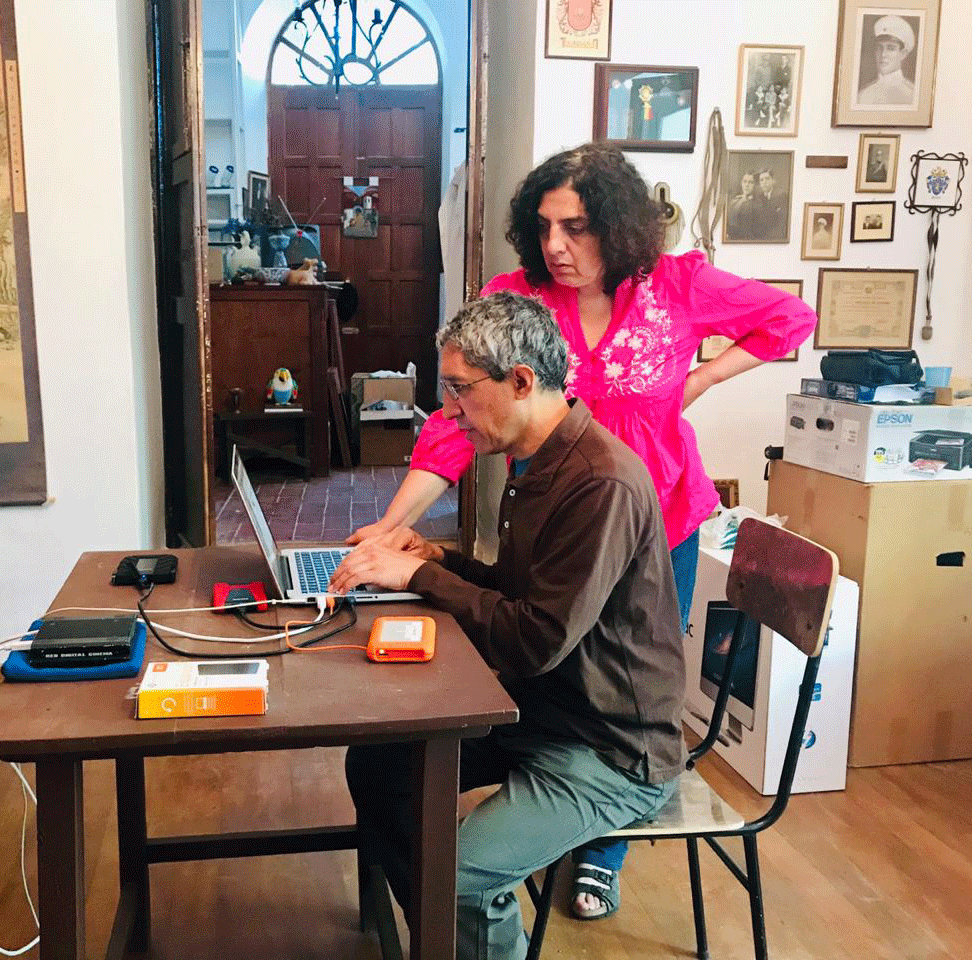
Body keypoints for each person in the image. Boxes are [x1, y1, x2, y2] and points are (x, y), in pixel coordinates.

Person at [346, 140, 817, 921]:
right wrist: (395, 533)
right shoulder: (520, 306)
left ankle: (590, 849)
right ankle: (444, 901)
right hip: (561, 514)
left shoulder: (674, 287)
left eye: (576, 227)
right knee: (566, 660)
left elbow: (790, 319)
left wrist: (696, 379)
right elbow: (455, 428)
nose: (556, 245)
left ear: (618, 225)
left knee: (620, 672)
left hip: (655, 510)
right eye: (543, 227)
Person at [332, 291, 686, 960]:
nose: (449, 411)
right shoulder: (540, 464)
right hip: (548, 712)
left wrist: (421, 576)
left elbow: (534, 641)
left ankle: (448, 914)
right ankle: (439, 934)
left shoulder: (599, 482)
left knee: (460, 876)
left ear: (521, 381)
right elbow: (521, 593)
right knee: (378, 765)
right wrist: (439, 559)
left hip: (611, 748)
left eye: (460, 389)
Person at [857, 14, 917, 106]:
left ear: (903, 54)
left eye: (890, 48)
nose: (883, 54)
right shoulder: (862, 95)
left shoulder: (913, 94)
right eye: (879, 48)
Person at [752, 168, 787, 240]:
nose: (764, 182)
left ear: (773, 181)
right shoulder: (758, 198)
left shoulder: (781, 196)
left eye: (767, 179)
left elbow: (782, 222)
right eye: (761, 180)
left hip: (777, 237)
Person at [726, 170, 758, 240]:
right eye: (744, 181)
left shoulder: (758, 204)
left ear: (755, 185)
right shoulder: (734, 202)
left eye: (750, 182)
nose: (747, 185)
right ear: (741, 183)